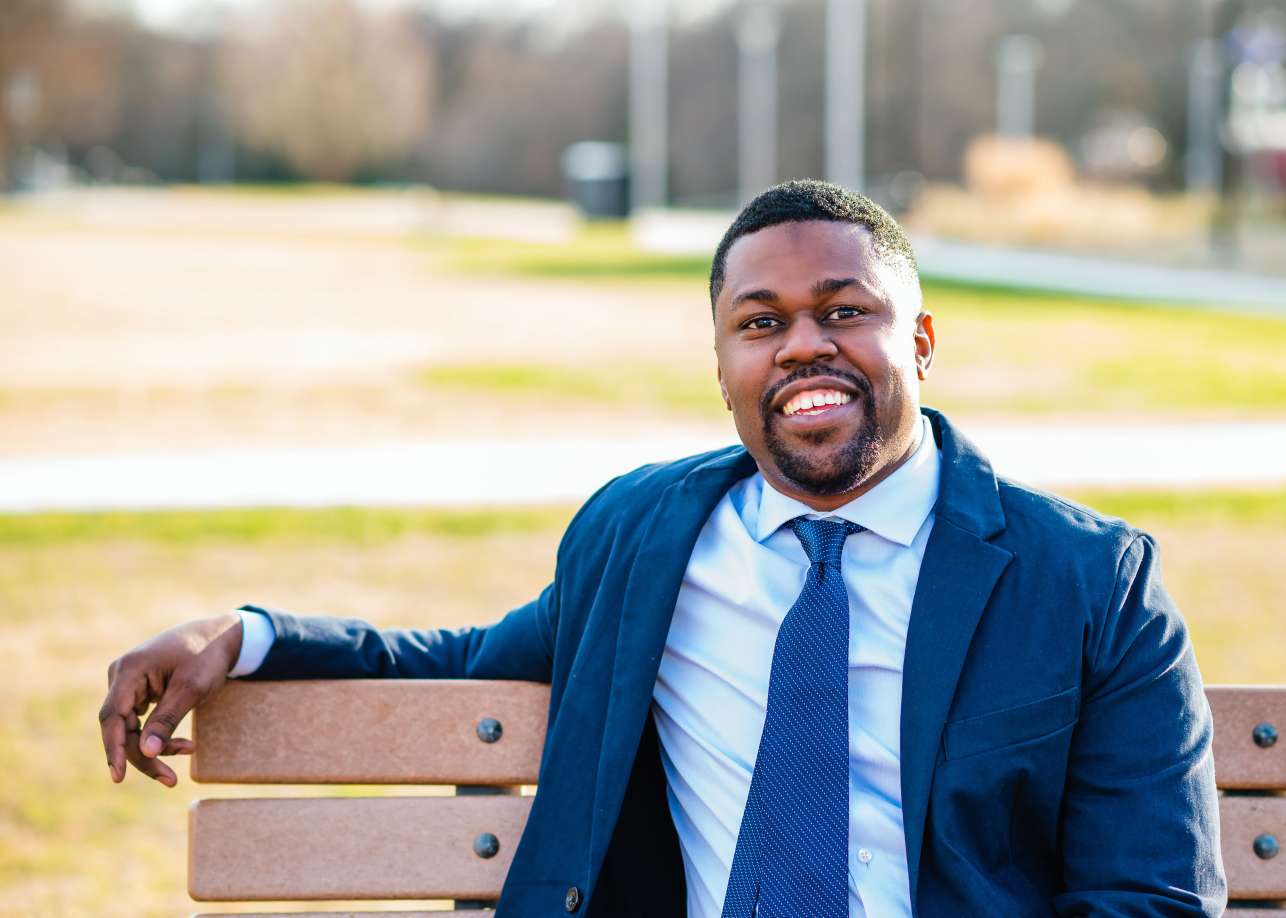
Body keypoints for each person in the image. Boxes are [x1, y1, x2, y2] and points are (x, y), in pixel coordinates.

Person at [100, 180, 1226, 917]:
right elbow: (467, 656)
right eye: (760, 322)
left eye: (845, 312)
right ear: (723, 363)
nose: (803, 348)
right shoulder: (642, 538)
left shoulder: (1089, 584)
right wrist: (244, 638)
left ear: (920, 341)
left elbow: (1155, 897)